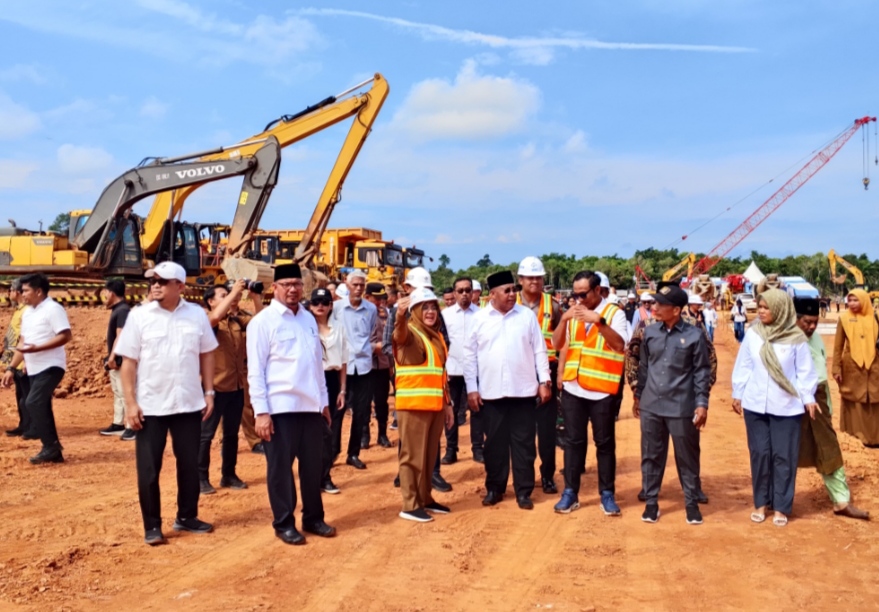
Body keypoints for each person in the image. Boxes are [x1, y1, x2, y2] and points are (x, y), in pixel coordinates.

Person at [114, 262, 218, 545]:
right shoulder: (139, 316)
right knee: (149, 469)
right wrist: (131, 403)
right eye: (153, 281)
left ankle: (187, 516)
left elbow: (207, 354)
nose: (155, 285)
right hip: (151, 406)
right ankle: (152, 526)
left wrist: (209, 392)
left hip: (188, 403)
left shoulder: (196, 316)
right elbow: (128, 362)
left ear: (180, 286)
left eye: (162, 281)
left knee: (189, 464)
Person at [247, 264, 335, 545]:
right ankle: (284, 523)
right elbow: (255, 371)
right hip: (279, 409)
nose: (293, 289)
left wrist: (323, 402)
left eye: (297, 284)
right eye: (286, 284)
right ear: (274, 288)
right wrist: (261, 412)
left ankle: (313, 518)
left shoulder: (308, 319)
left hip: (310, 408)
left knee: (312, 468)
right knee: (280, 470)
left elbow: (317, 365)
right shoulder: (262, 322)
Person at [464, 270, 551, 510]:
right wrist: (472, 389)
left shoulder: (526, 316)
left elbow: (539, 350)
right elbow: (469, 357)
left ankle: (524, 491)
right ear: (492, 294)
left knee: (524, 445)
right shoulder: (479, 319)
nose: (513, 294)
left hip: (523, 392)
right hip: (491, 394)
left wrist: (544, 381)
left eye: (514, 289)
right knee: (494, 445)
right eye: (507, 290)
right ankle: (495, 488)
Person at [732, 289, 818, 527]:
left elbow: (805, 372)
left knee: (784, 456)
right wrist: (738, 392)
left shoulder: (796, 338)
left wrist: (808, 397)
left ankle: (781, 506)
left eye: (766, 308)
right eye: (759, 307)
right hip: (755, 404)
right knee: (760, 453)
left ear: (780, 309)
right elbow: (744, 365)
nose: (761, 311)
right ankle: (761, 502)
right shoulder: (753, 334)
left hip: (787, 407)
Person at [550, 271, 628, 515]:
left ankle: (607, 493)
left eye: (583, 294)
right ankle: (570, 492)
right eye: (575, 295)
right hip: (574, 388)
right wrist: (564, 320)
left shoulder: (614, 313)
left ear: (597, 290)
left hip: (601, 391)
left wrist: (599, 321)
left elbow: (620, 346)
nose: (579, 299)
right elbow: (557, 344)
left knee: (604, 443)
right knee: (573, 442)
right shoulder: (573, 314)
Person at [634, 282, 711, 525]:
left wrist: (702, 403)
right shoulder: (650, 333)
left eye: (660, 304)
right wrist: (638, 396)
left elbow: (702, 372)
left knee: (687, 457)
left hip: (681, 407)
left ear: (676, 310)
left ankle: (691, 504)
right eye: (654, 303)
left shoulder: (694, 335)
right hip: (652, 406)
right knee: (651, 455)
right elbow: (644, 367)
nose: (654, 307)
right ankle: (651, 504)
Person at [794, 297, 869, 520]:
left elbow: (821, 375)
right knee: (784, 449)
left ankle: (841, 500)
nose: (812, 327)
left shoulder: (815, 338)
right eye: (807, 322)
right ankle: (775, 500)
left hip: (818, 398)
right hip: (791, 400)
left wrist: (826, 401)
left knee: (829, 446)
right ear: (795, 319)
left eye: (815, 322)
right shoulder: (787, 340)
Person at [384, 267, 453, 492]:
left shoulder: (434, 315)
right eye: (418, 288)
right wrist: (409, 355)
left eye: (428, 289)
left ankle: (432, 475)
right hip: (411, 388)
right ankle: (406, 479)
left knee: (431, 441)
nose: (424, 295)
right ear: (406, 288)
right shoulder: (399, 314)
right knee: (410, 442)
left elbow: (444, 344)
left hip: (433, 390)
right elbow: (391, 343)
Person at [393, 287, 455, 522]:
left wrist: (447, 404)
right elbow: (399, 336)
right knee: (412, 456)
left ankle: (425, 498)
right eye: (424, 307)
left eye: (433, 307)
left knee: (429, 456)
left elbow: (441, 374)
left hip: (435, 405)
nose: (430, 312)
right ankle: (410, 505)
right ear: (414, 311)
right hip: (413, 406)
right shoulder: (410, 332)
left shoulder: (435, 336)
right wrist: (400, 317)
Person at [198, 279, 263, 495]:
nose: (230, 297)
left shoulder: (236, 321)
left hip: (236, 386)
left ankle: (229, 474)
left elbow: (262, 323)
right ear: (210, 301)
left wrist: (255, 298)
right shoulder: (206, 319)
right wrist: (234, 290)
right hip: (213, 388)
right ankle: (200, 478)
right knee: (205, 436)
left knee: (231, 434)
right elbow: (215, 318)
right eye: (222, 295)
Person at [1, 273, 71, 464]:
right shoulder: (28, 313)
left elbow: (65, 336)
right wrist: (11, 368)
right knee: (41, 404)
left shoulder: (53, 309)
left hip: (51, 365)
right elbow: (23, 343)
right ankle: (53, 449)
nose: (22, 294)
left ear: (39, 291)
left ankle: (50, 447)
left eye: (25, 290)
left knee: (32, 402)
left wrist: (37, 348)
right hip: (33, 368)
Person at [517, 256, 562, 494]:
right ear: (520, 279)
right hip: (520, 372)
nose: (534, 281)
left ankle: (547, 476)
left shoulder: (553, 306)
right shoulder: (511, 303)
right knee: (522, 430)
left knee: (546, 430)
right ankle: (524, 476)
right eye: (529, 277)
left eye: (538, 277)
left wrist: (558, 375)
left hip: (547, 371)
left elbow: (563, 340)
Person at [333, 270, 376, 469]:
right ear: (346, 284)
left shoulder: (371, 309)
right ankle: (333, 452)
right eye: (355, 285)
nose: (358, 288)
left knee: (361, 413)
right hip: (342, 367)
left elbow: (370, 331)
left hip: (364, 367)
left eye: (361, 285)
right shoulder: (336, 308)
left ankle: (353, 453)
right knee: (337, 412)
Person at [310, 288, 348, 495]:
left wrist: (342, 390)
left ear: (331, 305)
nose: (320, 306)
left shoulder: (339, 328)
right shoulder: (305, 327)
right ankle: (315, 476)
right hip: (311, 381)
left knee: (330, 430)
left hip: (332, 380)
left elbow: (343, 361)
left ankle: (324, 477)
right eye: (316, 302)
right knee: (314, 432)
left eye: (324, 302)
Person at [441, 276, 482, 464]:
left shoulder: (482, 315)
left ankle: (478, 449)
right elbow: (441, 343)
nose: (464, 294)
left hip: (476, 370)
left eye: (468, 290)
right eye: (460, 291)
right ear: (455, 293)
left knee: (477, 410)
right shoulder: (445, 315)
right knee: (451, 410)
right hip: (452, 370)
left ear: (473, 292)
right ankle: (451, 450)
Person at [832, 289, 879, 448]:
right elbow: (838, 346)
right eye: (849, 300)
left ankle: (875, 437)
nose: (851, 303)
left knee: (874, 398)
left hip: (874, 366)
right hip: (852, 367)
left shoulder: (875, 317)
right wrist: (836, 368)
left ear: (864, 300)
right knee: (856, 399)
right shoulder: (844, 319)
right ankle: (860, 435)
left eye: (855, 300)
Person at [99, 280, 133, 439]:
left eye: (105, 293)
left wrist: (112, 357)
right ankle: (118, 424)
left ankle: (132, 426)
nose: (104, 297)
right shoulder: (118, 310)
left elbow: (121, 335)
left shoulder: (123, 311)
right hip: (116, 360)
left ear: (111, 293)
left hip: (121, 360)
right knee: (118, 392)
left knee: (125, 392)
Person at [364, 282, 392, 448]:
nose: (380, 302)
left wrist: (390, 365)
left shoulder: (385, 313)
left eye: (382, 298)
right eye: (376, 298)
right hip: (365, 365)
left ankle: (382, 434)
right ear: (367, 297)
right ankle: (364, 435)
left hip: (382, 365)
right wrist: (374, 347)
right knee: (364, 403)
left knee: (382, 402)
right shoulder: (360, 314)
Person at [2, 279, 30, 438]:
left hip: (22, 361)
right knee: (20, 395)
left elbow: (27, 338)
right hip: (15, 361)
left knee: (27, 396)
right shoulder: (19, 310)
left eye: (11, 290)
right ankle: (24, 425)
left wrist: (26, 360)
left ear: (17, 292)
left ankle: (31, 427)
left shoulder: (26, 311)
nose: (8, 293)